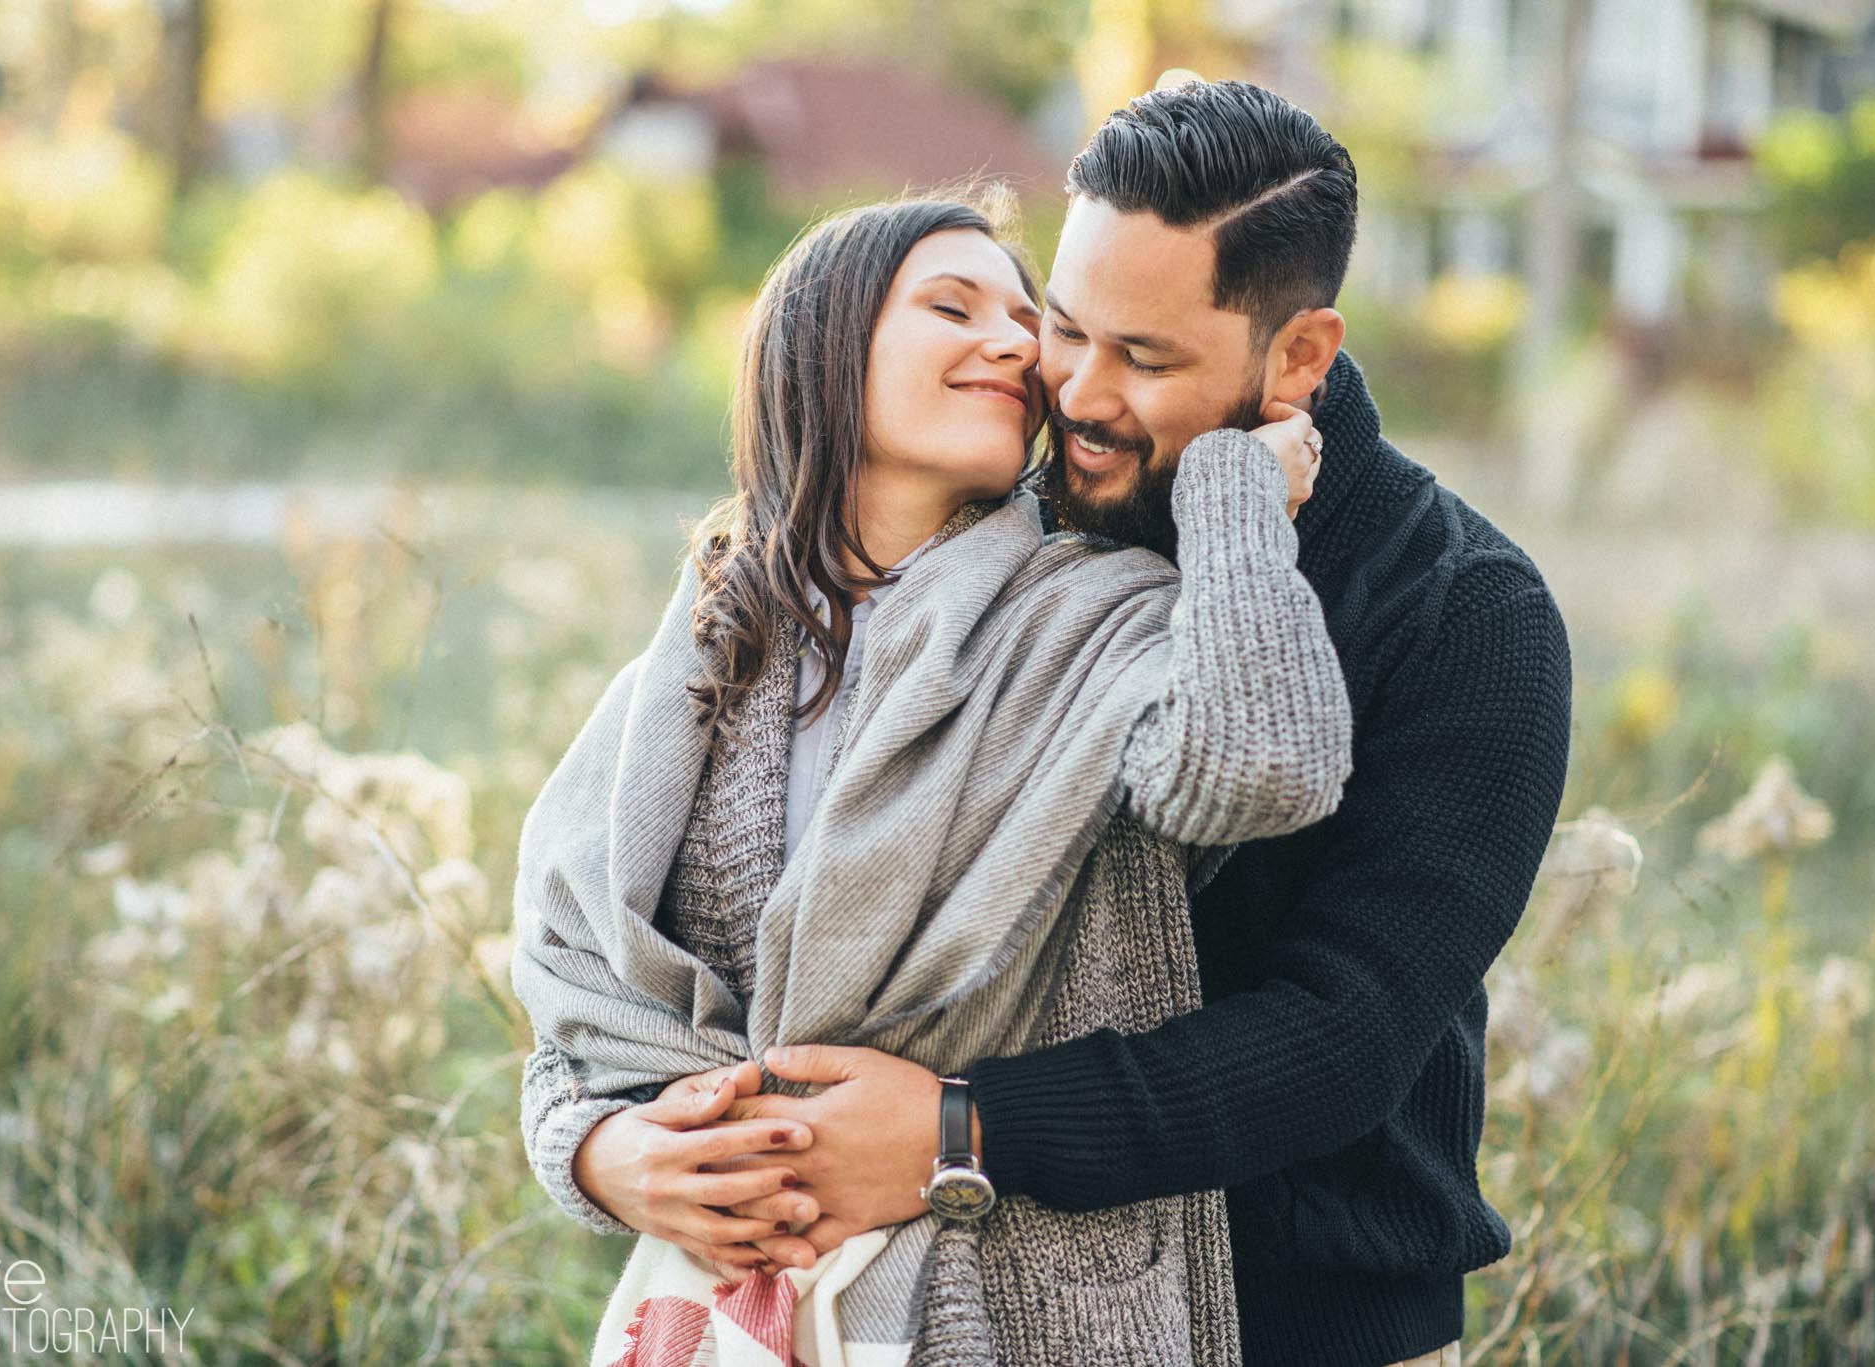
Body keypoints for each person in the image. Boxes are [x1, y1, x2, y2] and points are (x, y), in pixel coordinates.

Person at [631, 82, 1576, 1367]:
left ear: (1298, 355)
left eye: (1145, 358)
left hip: (1313, 1322)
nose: (1074, 393)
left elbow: (1342, 1035)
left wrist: (957, 1129)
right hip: (979, 1312)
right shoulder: (1007, 520)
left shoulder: (1466, 613)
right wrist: (623, 1141)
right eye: (1063, 329)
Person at [510, 189, 1353, 1365]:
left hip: (1026, 1312)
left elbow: (1261, 766)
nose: (1014, 343)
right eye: (951, 306)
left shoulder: (1096, 622)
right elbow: (579, 1008)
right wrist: (596, 1152)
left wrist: (1233, 496)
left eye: (1026, 320)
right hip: (725, 1313)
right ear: (817, 348)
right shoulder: (696, 664)